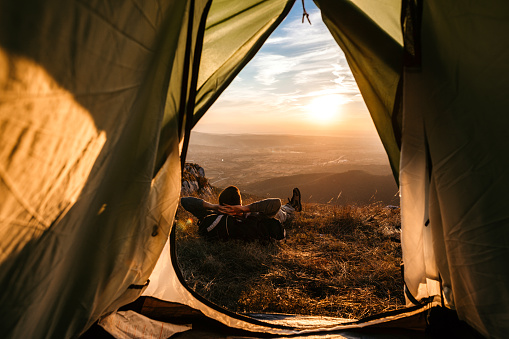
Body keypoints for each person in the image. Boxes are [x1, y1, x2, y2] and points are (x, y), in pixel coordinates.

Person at [180, 186, 302, 242]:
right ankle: (293, 206)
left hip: (271, 212)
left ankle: (292, 206)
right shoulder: (216, 215)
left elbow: (276, 203)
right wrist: (214, 207)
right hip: (271, 213)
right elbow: (184, 201)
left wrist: (245, 209)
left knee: (282, 211)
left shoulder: (252, 214)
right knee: (282, 213)